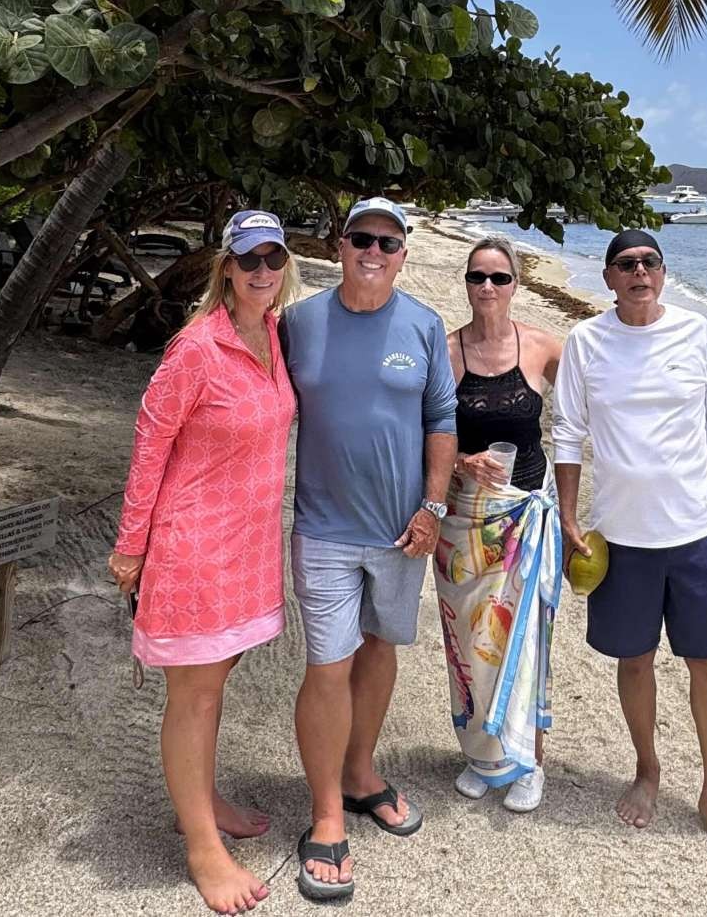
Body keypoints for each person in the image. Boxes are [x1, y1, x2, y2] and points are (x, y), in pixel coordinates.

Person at [551, 229, 707, 863]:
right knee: (635, 661)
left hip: (697, 531)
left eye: (649, 262)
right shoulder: (586, 341)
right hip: (621, 537)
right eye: (626, 264)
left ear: (664, 272)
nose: (639, 272)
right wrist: (568, 516)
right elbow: (568, 432)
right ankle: (647, 769)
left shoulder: (694, 331)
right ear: (608, 277)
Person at [108, 210, 299, 915]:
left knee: (217, 682)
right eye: (249, 260)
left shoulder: (274, 334)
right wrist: (132, 546)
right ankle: (201, 846)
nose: (262, 271)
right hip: (195, 546)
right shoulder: (196, 348)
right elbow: (149, 444)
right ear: (226, 268)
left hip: (249, 548)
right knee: (195, 694)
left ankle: (203, 798)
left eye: (273, 259)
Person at [278, 196, 458, 902]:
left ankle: (360, 774)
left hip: (401, 532)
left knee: (380, 649)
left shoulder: (424, 324)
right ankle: (326, 814)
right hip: (322, 529)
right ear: (341, 245)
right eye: (362, 239)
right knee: (328, 665)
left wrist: (433, 507)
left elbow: (441, 419)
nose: (373, 252)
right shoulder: (299, 322)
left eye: (388, 242)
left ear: (403, 254)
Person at [433, 236, 569, 813]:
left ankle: (529, 760)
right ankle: (483, 756)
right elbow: (423, 432)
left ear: (517, 284)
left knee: (526, 639)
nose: (487, 287)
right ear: (466, 283)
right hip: (464, 519)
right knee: (469, 642)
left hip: (526, 514)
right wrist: (462, 462)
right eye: (477, 276)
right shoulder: (445, 350)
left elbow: (588, 409)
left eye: (499, 277)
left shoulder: (542, 347)